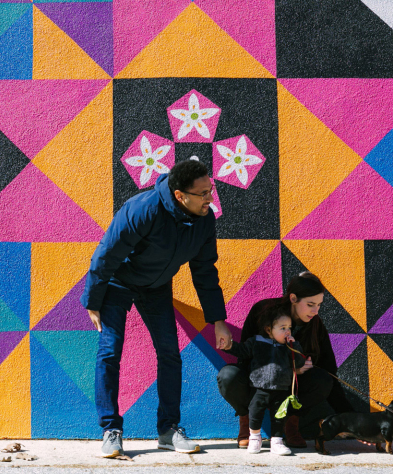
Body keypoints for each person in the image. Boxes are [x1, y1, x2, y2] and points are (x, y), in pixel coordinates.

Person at [81, 160, 233, 458]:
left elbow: (204, 271)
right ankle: (111, 430)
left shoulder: (204, 219)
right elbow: (107, 253)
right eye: (203, 193)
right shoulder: (144, 209)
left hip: (156, 287)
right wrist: (93, 300)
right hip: (117, 283)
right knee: (110, 351)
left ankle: (168, 429)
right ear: (180, 195)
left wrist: (217, 319)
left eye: (210, 190)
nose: (209, 199)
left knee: (169, 354)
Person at [217, 271, 355, 448]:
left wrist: (351, 421)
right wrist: (286, 370)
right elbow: (245, 357)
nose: (315, 311)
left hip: (289, 390)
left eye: (319, 305)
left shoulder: (315, 325)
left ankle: (291, 426)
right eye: (311, 304)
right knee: (229, 375)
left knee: (323, 379)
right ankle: (248, 425)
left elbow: (330, 373)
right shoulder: (262, 312)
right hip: (257, 383)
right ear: (293, 298)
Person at [224, 304, 306, 455]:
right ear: (269, 329)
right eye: (282, 328)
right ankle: (254, 438)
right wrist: (229, 346)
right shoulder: (257, 342)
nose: (287, 331)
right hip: (259, 387)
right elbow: (242, 351)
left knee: (279, 416)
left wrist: (295, 347)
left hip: (281, 388)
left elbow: (298, 363)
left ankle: (277, 441)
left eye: (289, 327)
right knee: (255, 413)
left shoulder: (289, 346)